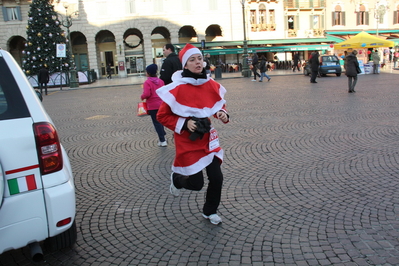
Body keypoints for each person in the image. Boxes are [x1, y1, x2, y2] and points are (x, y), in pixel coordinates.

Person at [156, 43, 230, 225]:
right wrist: (184, 123)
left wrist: (222, 113)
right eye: (192, 60)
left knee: (217, 177)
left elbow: (218, 104)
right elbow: (162, 115)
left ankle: (210, 211)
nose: (198, 62)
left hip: (208, 138)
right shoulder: (177, 88)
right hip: (188, 141)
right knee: (196, 184)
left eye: (200, 58)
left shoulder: (210, 83)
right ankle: (177, 179)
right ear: (185, 65)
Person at [141, 64, 167, 147]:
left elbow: (147, 94)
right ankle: (163, 134)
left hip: (152, 105)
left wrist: (142, 97)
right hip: (161, 104)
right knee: (160, 121)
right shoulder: (161, 81)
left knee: (156, 123)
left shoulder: (147, 82)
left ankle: (162, 140)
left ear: (148, 73)